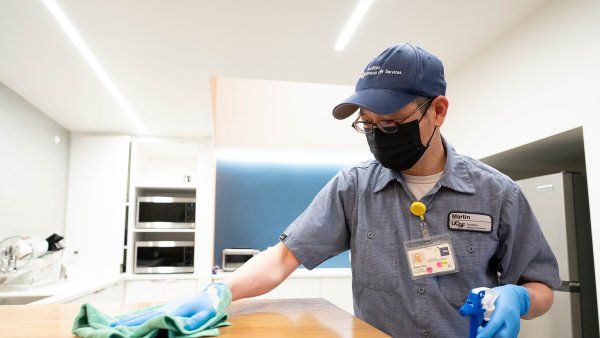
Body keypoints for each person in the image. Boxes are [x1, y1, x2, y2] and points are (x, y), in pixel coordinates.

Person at [112, 43, 560, 338]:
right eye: (368, 124)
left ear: (438, 110)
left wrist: (519, 298)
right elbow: (283, 257)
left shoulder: (497, 194)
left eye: (392, 123)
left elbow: (540, 286)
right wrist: (220, 291)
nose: (379, 134)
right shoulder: (353, 188)